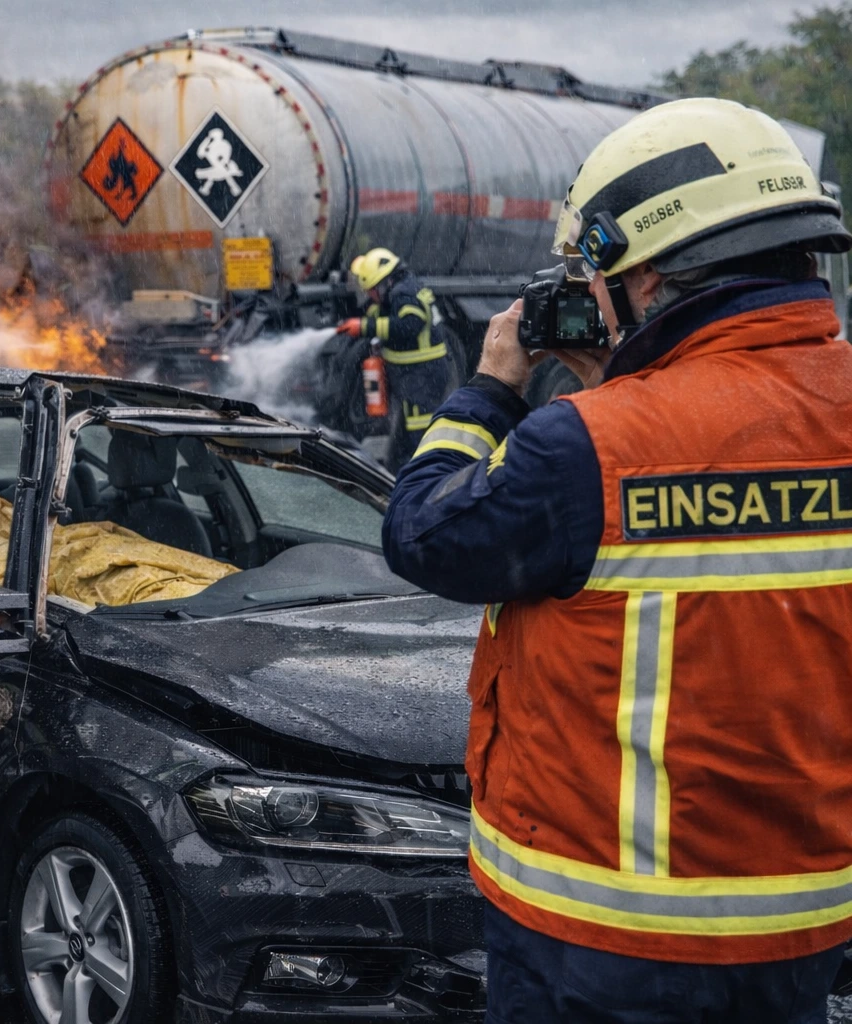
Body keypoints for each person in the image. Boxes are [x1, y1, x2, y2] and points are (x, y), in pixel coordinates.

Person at [382, 97, 852, 1023]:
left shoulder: (583, 448)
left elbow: (422, 533)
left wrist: (491, 389)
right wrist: (629, 386)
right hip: (807, 921)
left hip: (604, 937)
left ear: (641, 274)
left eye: (590, 276)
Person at [325, 247, 459, 469]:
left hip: (421, 376)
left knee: (420, 431)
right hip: (416, 375)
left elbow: (409, 325)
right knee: (405, 432)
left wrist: (365, 326)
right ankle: (402, 470)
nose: (370, 296)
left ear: (382, 283)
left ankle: (427, 472)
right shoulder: (404, 287)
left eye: (371, 291)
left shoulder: (404, 294)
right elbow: (390, 316)